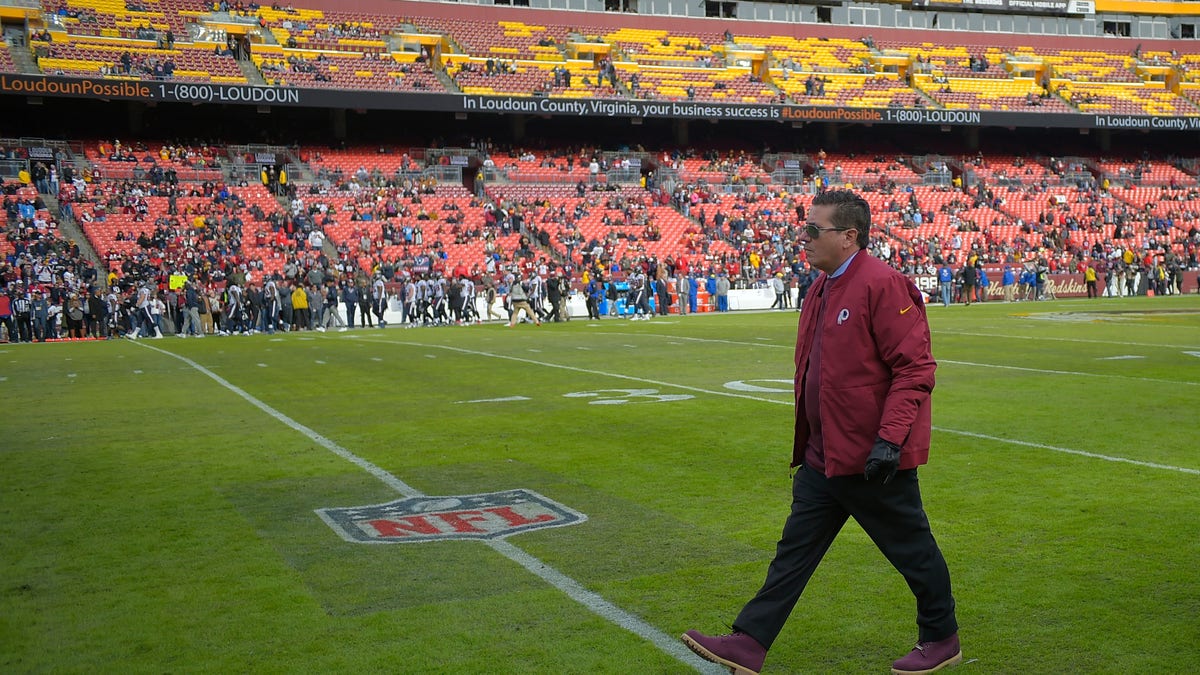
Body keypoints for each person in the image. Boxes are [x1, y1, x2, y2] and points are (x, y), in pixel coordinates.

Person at [682, 190, 960, 675]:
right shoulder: (819, 288)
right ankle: (750, 642)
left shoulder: (883, 284)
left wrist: (890, 440)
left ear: (849, 236)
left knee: (912, 550)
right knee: (793, 552)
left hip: (871, 457)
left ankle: (941, 636)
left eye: (814, 230)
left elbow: (914, 369)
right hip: (823, 454)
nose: (803, 238)